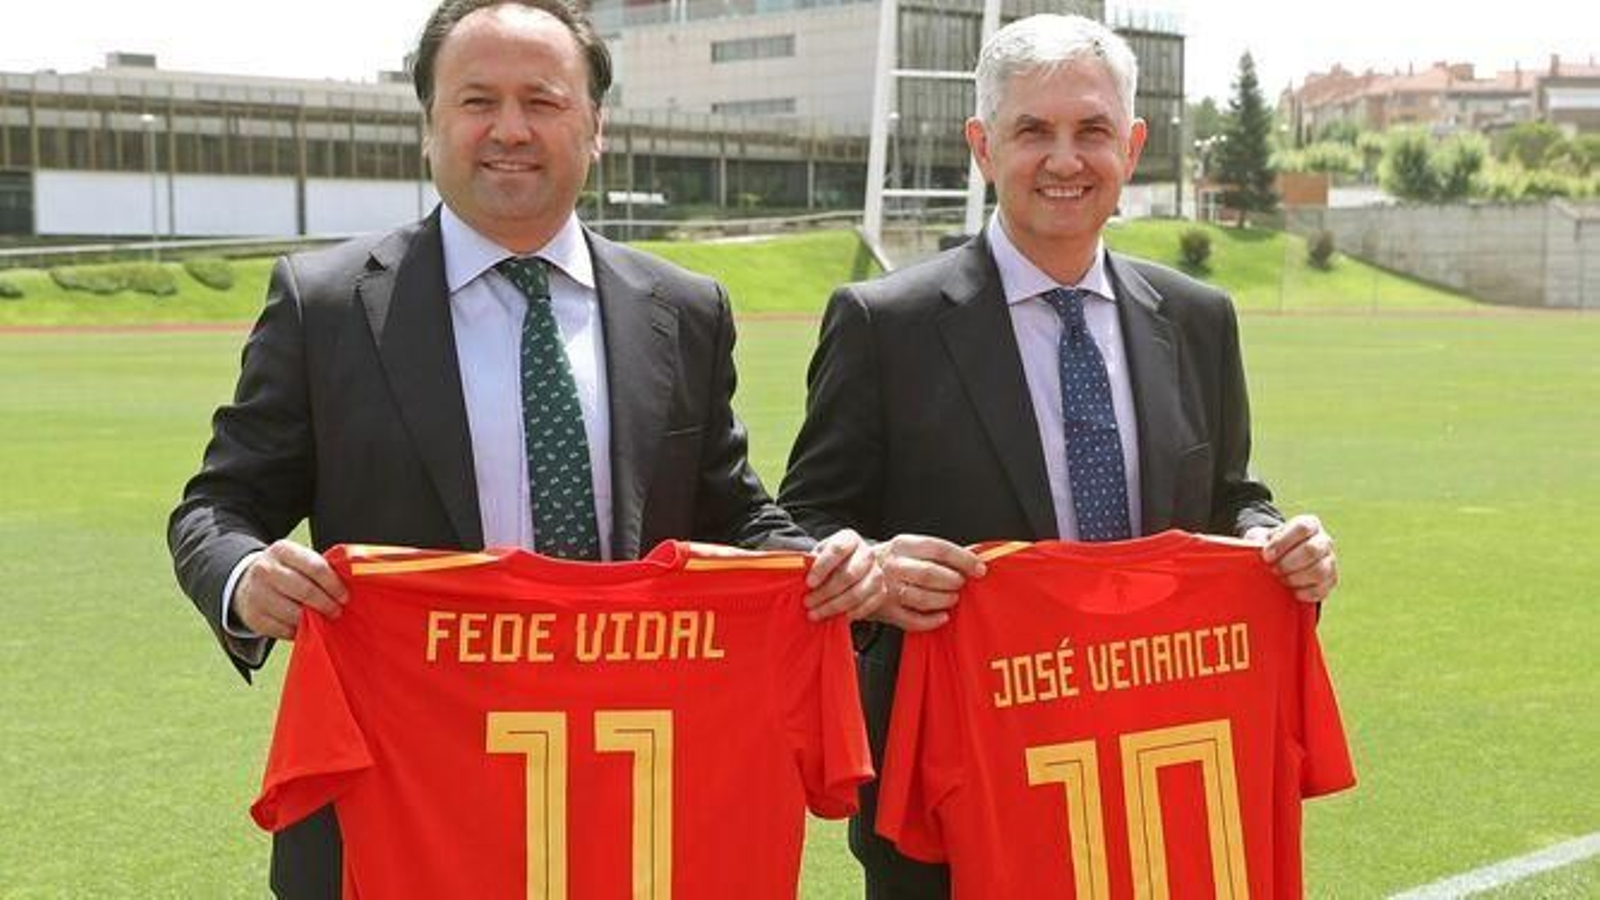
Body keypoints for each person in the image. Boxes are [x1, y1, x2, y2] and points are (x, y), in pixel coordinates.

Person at [167, 1, 879, 895]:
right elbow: (216, 508)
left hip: (635, 803)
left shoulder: (684, 308)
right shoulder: (330, 305)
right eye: (476, 101)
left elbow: (730, 508)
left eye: (542, 101)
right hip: (404, 803)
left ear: (595, 126)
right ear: (429, 127)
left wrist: (819, 564)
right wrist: (245, 577)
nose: (509, 130)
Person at [777, 14, 1338, 899]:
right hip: (959, 798)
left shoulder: (1197, 319)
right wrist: (873, 572)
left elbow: (1230, 493)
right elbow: (804, 526)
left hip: (1158, 773)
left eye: (1092, 131)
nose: (1065, 160)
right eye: (1033, 131)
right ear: (982, 147)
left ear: (1134, 144)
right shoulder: (885, 324)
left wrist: (1275, 540)